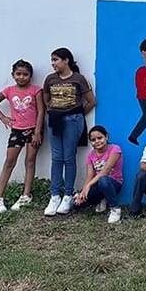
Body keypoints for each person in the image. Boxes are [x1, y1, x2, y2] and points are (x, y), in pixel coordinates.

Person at [43, 48, 96, 217]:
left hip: (73, 120)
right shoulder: (50, 79)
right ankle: (54, 195)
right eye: (52, 60)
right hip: (54, 121)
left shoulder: (79, 79)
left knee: (69, 157)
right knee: (56, 158)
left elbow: (91, 101)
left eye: (56, 60)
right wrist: (54, 111)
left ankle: (67, 195)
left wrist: (76, 114)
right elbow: (46, 99)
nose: (53, 63)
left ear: (66, 61)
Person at [0, 59, 45, 213]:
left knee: (30, 161)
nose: (21, 77)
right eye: (18, 74)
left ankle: (26, 195)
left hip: (34, 130)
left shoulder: (36, 90)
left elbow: (41, 111)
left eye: (25, 74)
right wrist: (3, 118)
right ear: (13, 75)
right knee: (9, 162)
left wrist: (38, 132)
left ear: (30, 76)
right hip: (17, 130)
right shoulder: (8, 91)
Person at [73, 125, 123, 224]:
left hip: (113, 183)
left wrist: (89, 185)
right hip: (97, 184)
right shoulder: (90, 155)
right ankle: (102, 199)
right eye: (93, 140)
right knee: (76, 204)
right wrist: (83, 192)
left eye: (100, 138)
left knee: (103, 179)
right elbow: (89, 176)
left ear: (106, 137)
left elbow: (106, 171)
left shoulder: (115, 149)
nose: (97, 141)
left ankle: (115, 209)